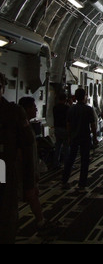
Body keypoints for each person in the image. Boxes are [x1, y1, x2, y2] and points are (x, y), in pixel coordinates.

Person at [0, 73, 35, 244]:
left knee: (6, 214)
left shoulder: (12, 112)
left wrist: (28, 184)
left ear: (3, 87)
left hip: (3, 168)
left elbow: (27, 149)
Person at [18, 96, 55, 235]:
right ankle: (40, 222)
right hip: (23, 170)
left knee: (32, 195)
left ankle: (40, 221)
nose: (36, 109)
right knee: (28, 196)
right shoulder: (21, 128)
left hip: (29, 169)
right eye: (34, 107)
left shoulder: (27, 125)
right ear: (26, 109)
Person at [62, 88, 98, 191]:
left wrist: (69, 137)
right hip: (85, 137)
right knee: (84, 161)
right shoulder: (88, 109)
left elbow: (68, 124)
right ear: (84, 96)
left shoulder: (71, 109)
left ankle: (64, 181)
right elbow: (93, 125)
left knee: (70, 159)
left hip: (74, 137)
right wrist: (95, 138)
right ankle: (82, 184)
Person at [53, 92, 70, 169]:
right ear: (65, 99)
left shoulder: (55, 107)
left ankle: (56, 163)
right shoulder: (66, 108)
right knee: (66, 147)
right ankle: (67, 164)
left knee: (58, 146)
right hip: (64, 128)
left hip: (57, 128)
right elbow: (68, 119)